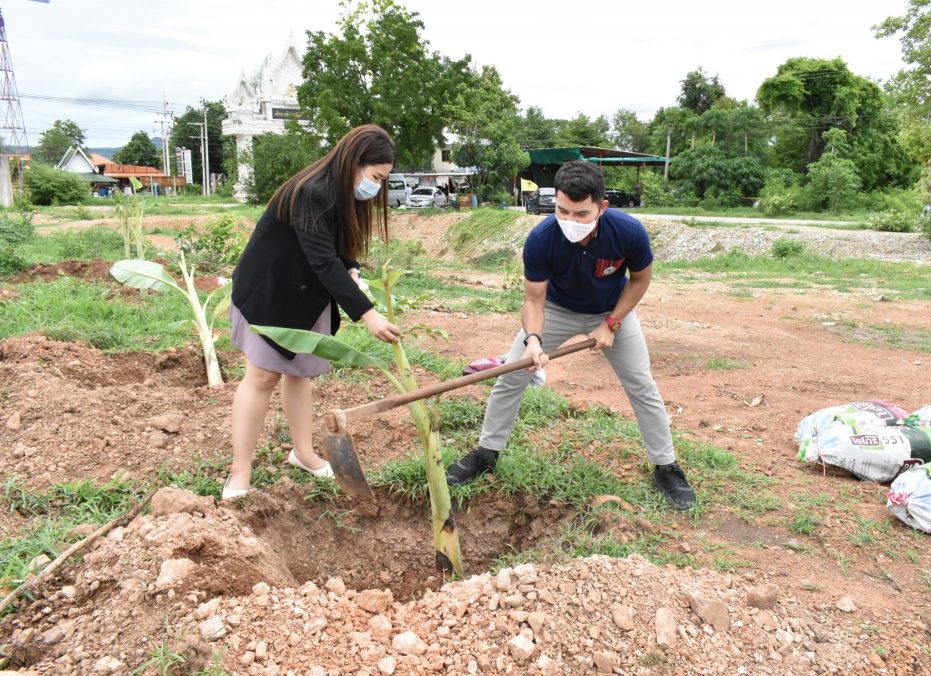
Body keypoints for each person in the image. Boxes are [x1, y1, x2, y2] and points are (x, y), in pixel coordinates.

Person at [445, 161, 697, 511]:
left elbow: (639, 280)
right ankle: (486, 454)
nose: (571, 222)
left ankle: (666, 466)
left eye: (581, 214)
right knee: (511, 375)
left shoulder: (628, 232)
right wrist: (533, 340)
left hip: (610, 312)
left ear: (601, 207)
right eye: (562, 210)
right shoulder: (542, 238)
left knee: (641, 383)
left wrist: (611, 324)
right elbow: (534, 299)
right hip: (556, 311)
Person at [223, 124, 401, 499]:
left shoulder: (345, 193)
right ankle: (240, 471)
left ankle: (302, 453)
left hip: (308, 297)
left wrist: (351, 268)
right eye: (375, 177)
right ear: (354, 163)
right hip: (272, 293)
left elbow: (339, 245)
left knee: (299, 373)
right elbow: (322, 260)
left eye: (383, 180)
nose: (377, 187)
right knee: (261, 378)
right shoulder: (310, 193)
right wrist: (367, 313)